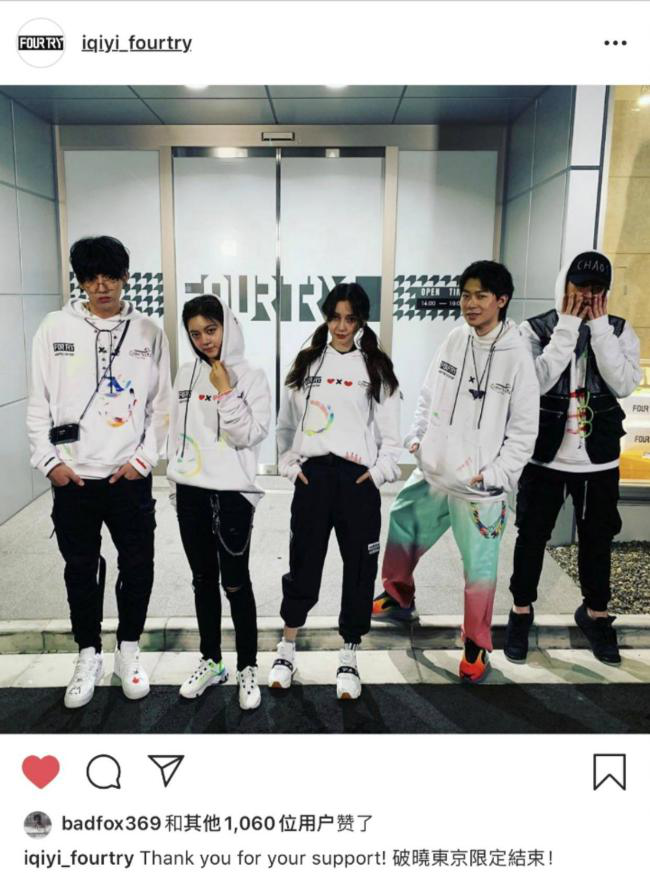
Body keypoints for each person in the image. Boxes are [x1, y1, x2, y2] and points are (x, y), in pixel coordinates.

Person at [372, 261, 539, 682]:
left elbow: (524, 430)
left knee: (479, 570)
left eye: (481, 295)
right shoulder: (455, 337)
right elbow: (429, 394)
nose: (471, 303)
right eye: (466, 295)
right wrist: (418, 437)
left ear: (502, 300)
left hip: (479, 487)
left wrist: (496, 474)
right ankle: (398, 596)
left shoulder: (518, 356)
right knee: (403, 520)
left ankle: (476, 642)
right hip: (434, 469)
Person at [26, 236, 172, 709]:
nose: (101, 286)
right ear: (80, 281)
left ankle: (128, 649)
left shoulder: (148, 332)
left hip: (127, 477)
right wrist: (49, 462)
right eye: (91, 277)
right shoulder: (54, 328)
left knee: (139, 565)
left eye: (110, 275)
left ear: (125, 276)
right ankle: (87, 652)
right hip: (73, 477)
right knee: (80, 569)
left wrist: (143, 462)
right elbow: (38, 403)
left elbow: (162, 406)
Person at [505, 251, 641, 665]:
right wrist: (566, 328)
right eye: (579, 286)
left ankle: (595, 613)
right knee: (531, 537)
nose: (586, 295)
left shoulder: (619, 330)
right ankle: (520, 611)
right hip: (545, 458)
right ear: (564, 285)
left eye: (596, 288)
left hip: (599, 461)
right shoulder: (534, 329)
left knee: (598, 540)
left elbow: (623, 384)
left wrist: (599, 330)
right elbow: (536, 382)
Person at [270, 282, 402, 699]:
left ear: (361, 321)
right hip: (313, 481)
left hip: (357, 483)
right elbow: (286, 425)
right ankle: (287, 647)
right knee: (303, 565)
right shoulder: (307, 363)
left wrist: (378, 473)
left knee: (359, 571)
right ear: (326, 317)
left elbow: (392, 437)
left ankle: (349, 654)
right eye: (335, 317)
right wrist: (289, 465)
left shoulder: (376, 367)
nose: (342, 326)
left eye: (350, 319)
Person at [167, 295, 271, 710]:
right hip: (190, 492)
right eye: (195, 333)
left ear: (227, 326)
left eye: (211, 330)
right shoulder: (184, 373)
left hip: (232, 496)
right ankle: (212, 661)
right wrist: (175, 484)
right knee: (202, 580)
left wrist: (225, 390)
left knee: (236, 583)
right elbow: (176, 434)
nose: (204, 340)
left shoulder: (252, 376)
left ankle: (248, 666)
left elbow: (249, 435)